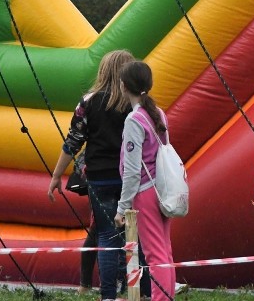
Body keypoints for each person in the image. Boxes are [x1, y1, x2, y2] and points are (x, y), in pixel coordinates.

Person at [48, 50, 135, 301]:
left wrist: (56, 176)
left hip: (100, 177)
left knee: (107, 236)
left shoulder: (88, 102)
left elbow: (73, 141)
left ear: (103, 71)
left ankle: (107, 295)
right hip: (130, 176)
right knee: (133, 235)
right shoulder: (134, 103)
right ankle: (131, 291)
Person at [114, 61, 176, 301]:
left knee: (154, 255)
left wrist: (122, 207)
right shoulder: (158, 112)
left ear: (124, 86)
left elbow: (131, 170)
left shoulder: (133, 120)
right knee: (165, 252)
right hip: (162, 189)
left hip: (145, 192)